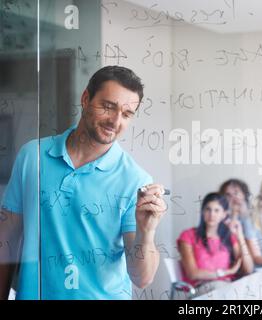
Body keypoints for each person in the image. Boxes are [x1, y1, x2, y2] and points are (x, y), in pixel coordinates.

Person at [0, 66, 167, 300]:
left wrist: (146, 231)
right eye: (108, 106)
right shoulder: (32, 156)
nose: (115, 121)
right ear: (86, 99)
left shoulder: (135, 180)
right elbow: (6, 240)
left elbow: (142, 278)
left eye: (127, 114)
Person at [177, 192, 253, 297]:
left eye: (217, 210)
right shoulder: (188, 236)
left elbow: (249, 269)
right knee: (222, 288)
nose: (212, 214)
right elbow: (192, 273)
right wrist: (225, 273)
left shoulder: (229, 237)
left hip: (227, 288)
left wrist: (239, 235)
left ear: (224, 214)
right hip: (201, 289)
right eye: (208, 209)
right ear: (202, 212)